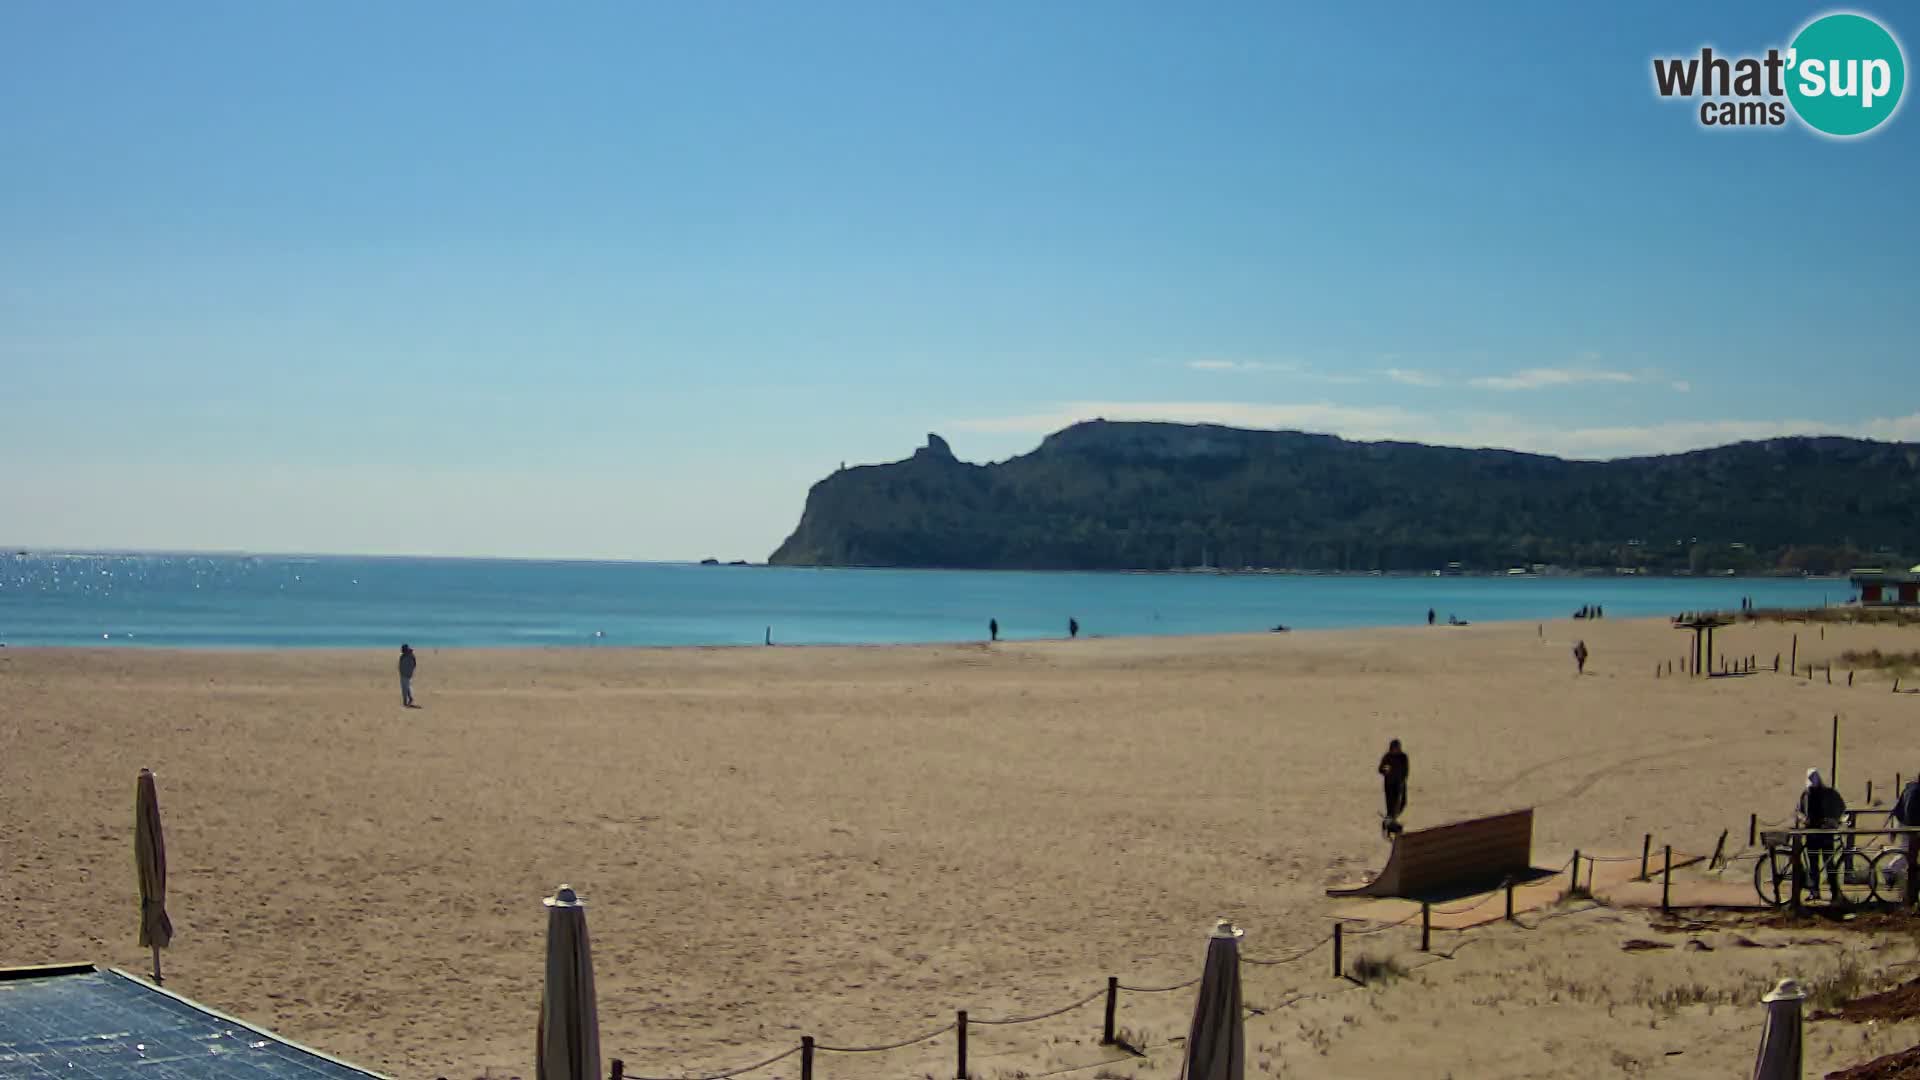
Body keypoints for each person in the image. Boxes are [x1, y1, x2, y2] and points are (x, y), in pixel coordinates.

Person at [1797, 768, 1847, 900]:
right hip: (1814, 834)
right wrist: (1804, 819)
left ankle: (1833, 892)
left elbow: (1841, 807)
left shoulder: (1827, 793)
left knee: (1828, 864)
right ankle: (1817, 891)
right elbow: (1799, 811)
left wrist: (1833, 820)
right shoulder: (1807, 794)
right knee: (1816, 865)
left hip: (1823, 834)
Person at [1378, 739, 1410, 828]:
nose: (1396, 750)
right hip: (1389, 784)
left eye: (1398, 748)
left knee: (1402, 803)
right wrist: (1385, 771)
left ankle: (1391, 819)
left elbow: (1406, 770)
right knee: (1391, 804)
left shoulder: (1403, 757)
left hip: (1400, 783)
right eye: (1395, 748)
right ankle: (1390, 820)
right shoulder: (1387, 756)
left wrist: (1403, 781)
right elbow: (1380, 769)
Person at [398, 644, 419, 708]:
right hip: (404, 674)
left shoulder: (411, 656)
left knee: (405, 688)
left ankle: (405, 702)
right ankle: (409, 698)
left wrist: (409, 672)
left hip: (406, 674)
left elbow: (414, 665)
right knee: (406, 687)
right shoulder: (403, 656)